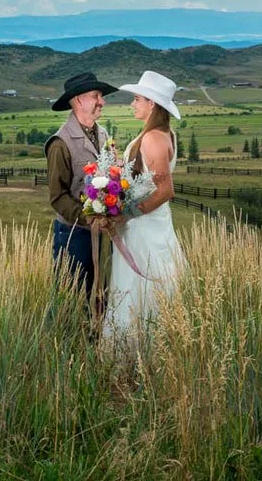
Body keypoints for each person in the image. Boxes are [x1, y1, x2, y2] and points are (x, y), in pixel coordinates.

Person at [104, 70, 187, 343]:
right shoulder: (164, 134)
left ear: (152, 104)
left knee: (136, 285)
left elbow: (165, 190)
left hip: (145, 226)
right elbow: (146, 179)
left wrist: (129, 212)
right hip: (152, 223)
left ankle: (134, 347)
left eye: (137, 99)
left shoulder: (153, 138)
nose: (133, 104)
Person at [45, 72, 118, 322]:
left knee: (101, 294)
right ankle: (61, 348)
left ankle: (95, 344)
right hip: (73, 235)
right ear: (77, 101)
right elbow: (57, 196)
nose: (102, 101)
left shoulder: (104, 135)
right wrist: (88, 217)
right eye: (96, 96)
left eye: (101, 96)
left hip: (102, 233)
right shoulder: (60, 143)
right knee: (69, 297)